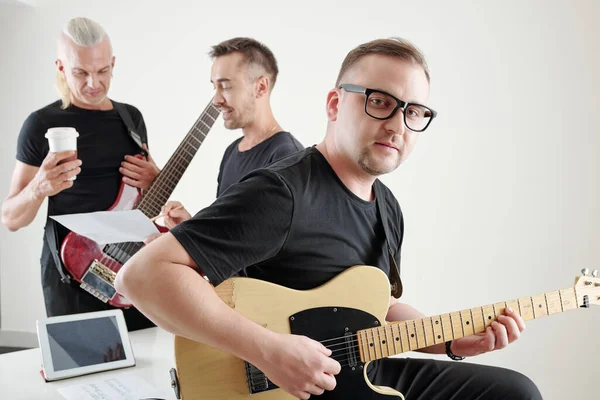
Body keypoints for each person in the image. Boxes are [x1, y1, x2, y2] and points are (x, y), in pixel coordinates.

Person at [115, 38, 542, 399]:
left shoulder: (387, 206)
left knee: (515, 392)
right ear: (335, 104)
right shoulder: (281, 191)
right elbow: (140, 276)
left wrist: (451, 340)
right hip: (277, 384)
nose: (397, 125)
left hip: (357, 373)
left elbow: (379, 307)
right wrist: (269, 350)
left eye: (413, 112)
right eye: (380, 102)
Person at [1, 17, 159, 331]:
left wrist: (155, 176)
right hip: (72, 274)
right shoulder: (41, 124)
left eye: (102, 71)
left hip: (131, 267)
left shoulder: (131, 118)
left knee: (144, 367)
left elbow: (148, 196)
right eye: (80, 72)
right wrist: (38, 188)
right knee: (79, 375)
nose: (93, 83)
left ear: (113, 63)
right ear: (61, 67)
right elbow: (11, 219)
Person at [158, 37, 303, 228]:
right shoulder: (232, 151)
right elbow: (229, 234)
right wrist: (188, 227)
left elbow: (267, 247)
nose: (216, 100)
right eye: (214, 87)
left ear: (261, 87)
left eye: (225, 87)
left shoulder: (287, 157)